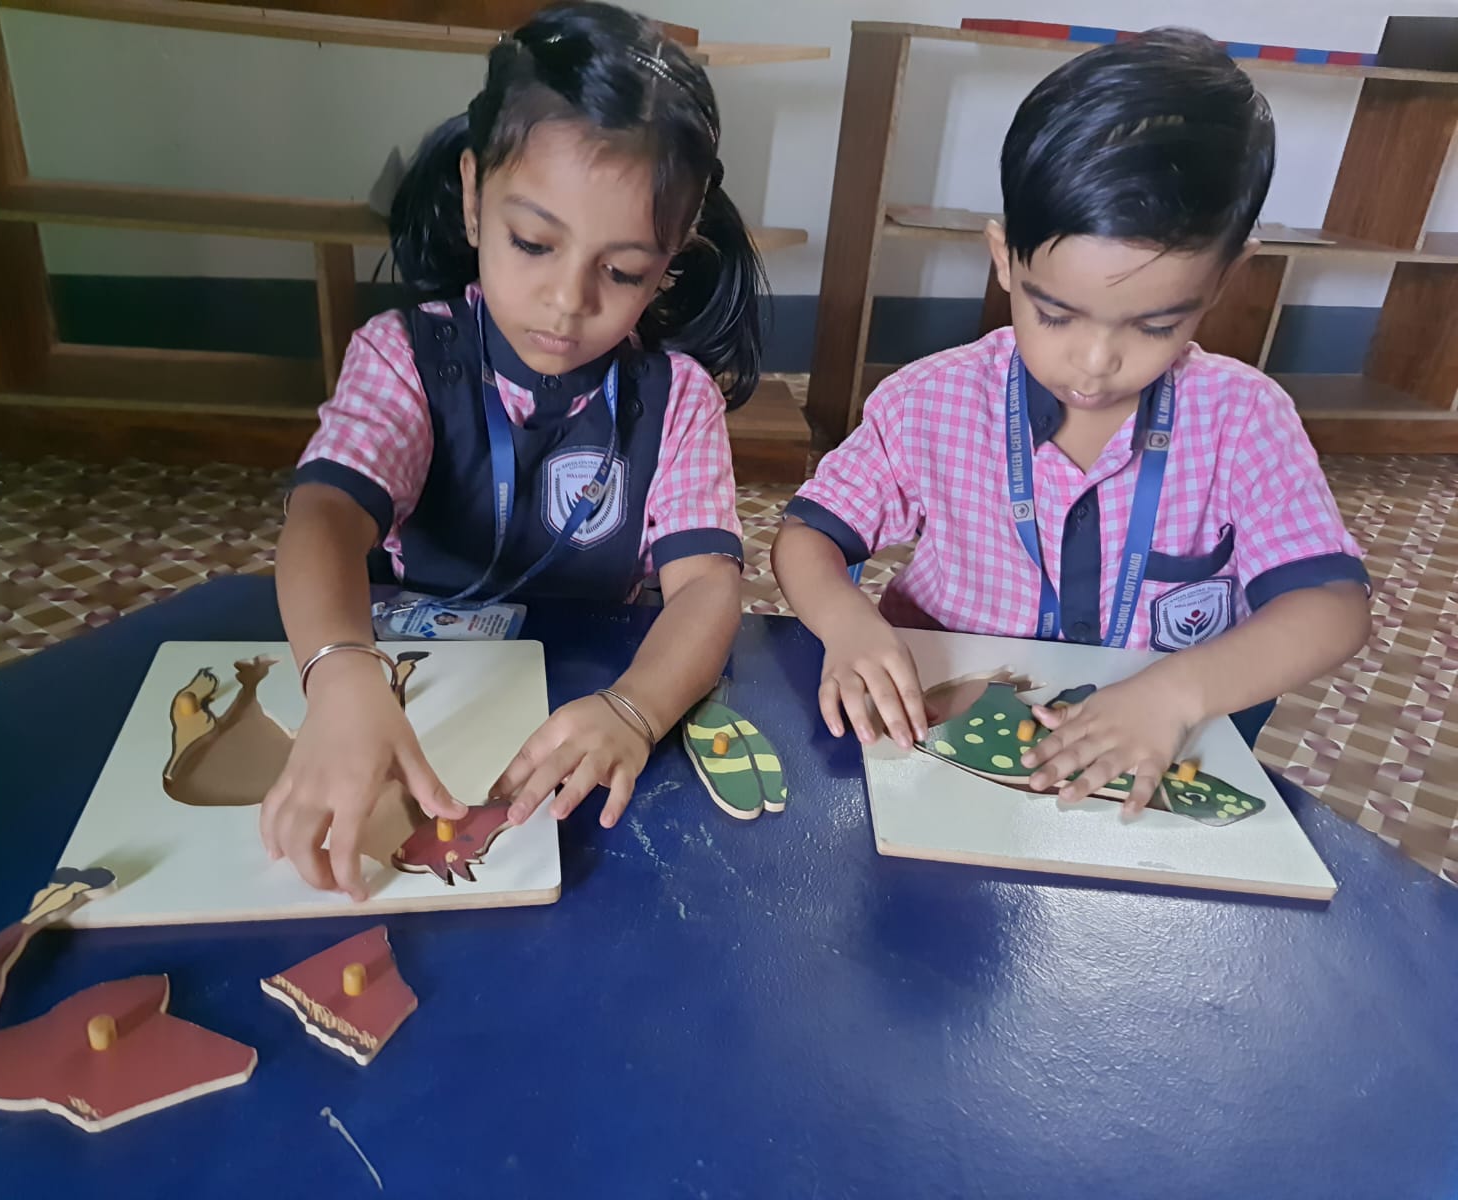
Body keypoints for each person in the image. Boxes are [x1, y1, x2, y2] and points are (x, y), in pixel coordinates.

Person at [773, 28, 1371, 815]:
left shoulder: (1244, 420)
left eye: (1154, 325)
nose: (1094, 362)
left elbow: (1333, 608)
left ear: (1228, 277)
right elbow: (808, 537)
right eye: (1054, 314)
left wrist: (1178, 692)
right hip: (942, 748)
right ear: (1004, 258)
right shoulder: (932, 402)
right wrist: (847, 624)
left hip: (1138, 771)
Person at [266, 2, 765, 899]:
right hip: (403, 688)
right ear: (472, 196)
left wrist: (635, 709)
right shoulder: (404, 357)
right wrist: (339, 675)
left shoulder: (677, 399)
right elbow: (325, 517)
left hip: (587, 707)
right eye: (533, 242)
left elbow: (708, 590)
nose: (568, 301)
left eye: (623, 271)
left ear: (671, 261)